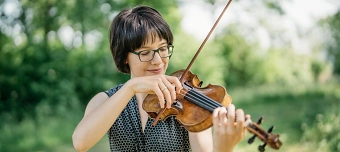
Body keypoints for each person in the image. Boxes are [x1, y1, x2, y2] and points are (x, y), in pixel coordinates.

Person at [72, 5, 249, 152]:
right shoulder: (106, 100)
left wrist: (224, 149)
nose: (157, 61)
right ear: (125, 56)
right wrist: (131, 87)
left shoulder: (189, 108)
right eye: (145, 52)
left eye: (163, 49)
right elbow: (80, 143)